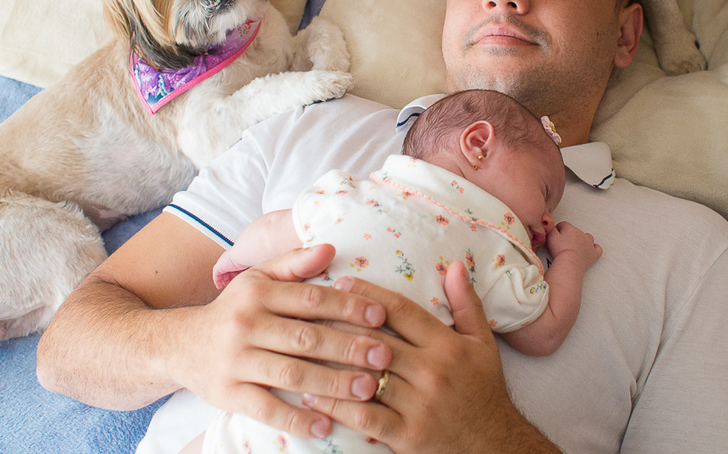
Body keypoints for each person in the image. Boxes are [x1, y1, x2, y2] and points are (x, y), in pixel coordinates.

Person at [37, 0, 728, 454]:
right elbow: (67, 349)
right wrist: (194, 344)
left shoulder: (691, 251)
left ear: (626, 35)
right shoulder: (308, 122)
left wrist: (488, 438)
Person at [182, 88, 603, 454]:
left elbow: (274, 229)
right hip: (357, 426)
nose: (547, 220)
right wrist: (571, 258)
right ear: (478, 145)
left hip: (268, 402)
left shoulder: (349, 192)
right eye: (545, 192)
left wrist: (233, 265)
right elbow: (545, 330)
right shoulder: (495, 248)